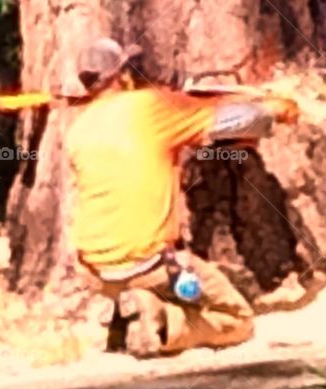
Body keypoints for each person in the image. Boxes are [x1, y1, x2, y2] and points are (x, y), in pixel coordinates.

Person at [66, 37, 299, 357]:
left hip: (96, 269)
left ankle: (127, 311)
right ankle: (162, 320)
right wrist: (280, 107)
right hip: (152, 263)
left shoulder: (77, 131)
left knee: (161, 284)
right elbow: (242, 120)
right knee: (237, 319)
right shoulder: (150, 108)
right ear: (122, 76)